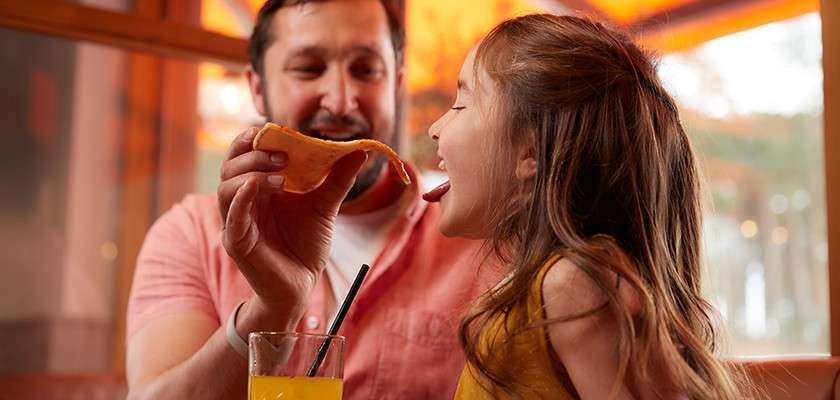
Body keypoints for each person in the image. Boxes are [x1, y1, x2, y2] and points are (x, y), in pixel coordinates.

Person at [125, 1, 494, 399]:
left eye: (366, 70)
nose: (340, 101)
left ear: (396, 84)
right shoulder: (191, 235)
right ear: (257, 88)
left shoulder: (485, 242)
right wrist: (272, 309)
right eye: (308, 68)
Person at [424, 14, 752, 399]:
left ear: (531, 151)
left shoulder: (572, 285)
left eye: (461, 105)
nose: (435, 128)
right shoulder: (546, 286)